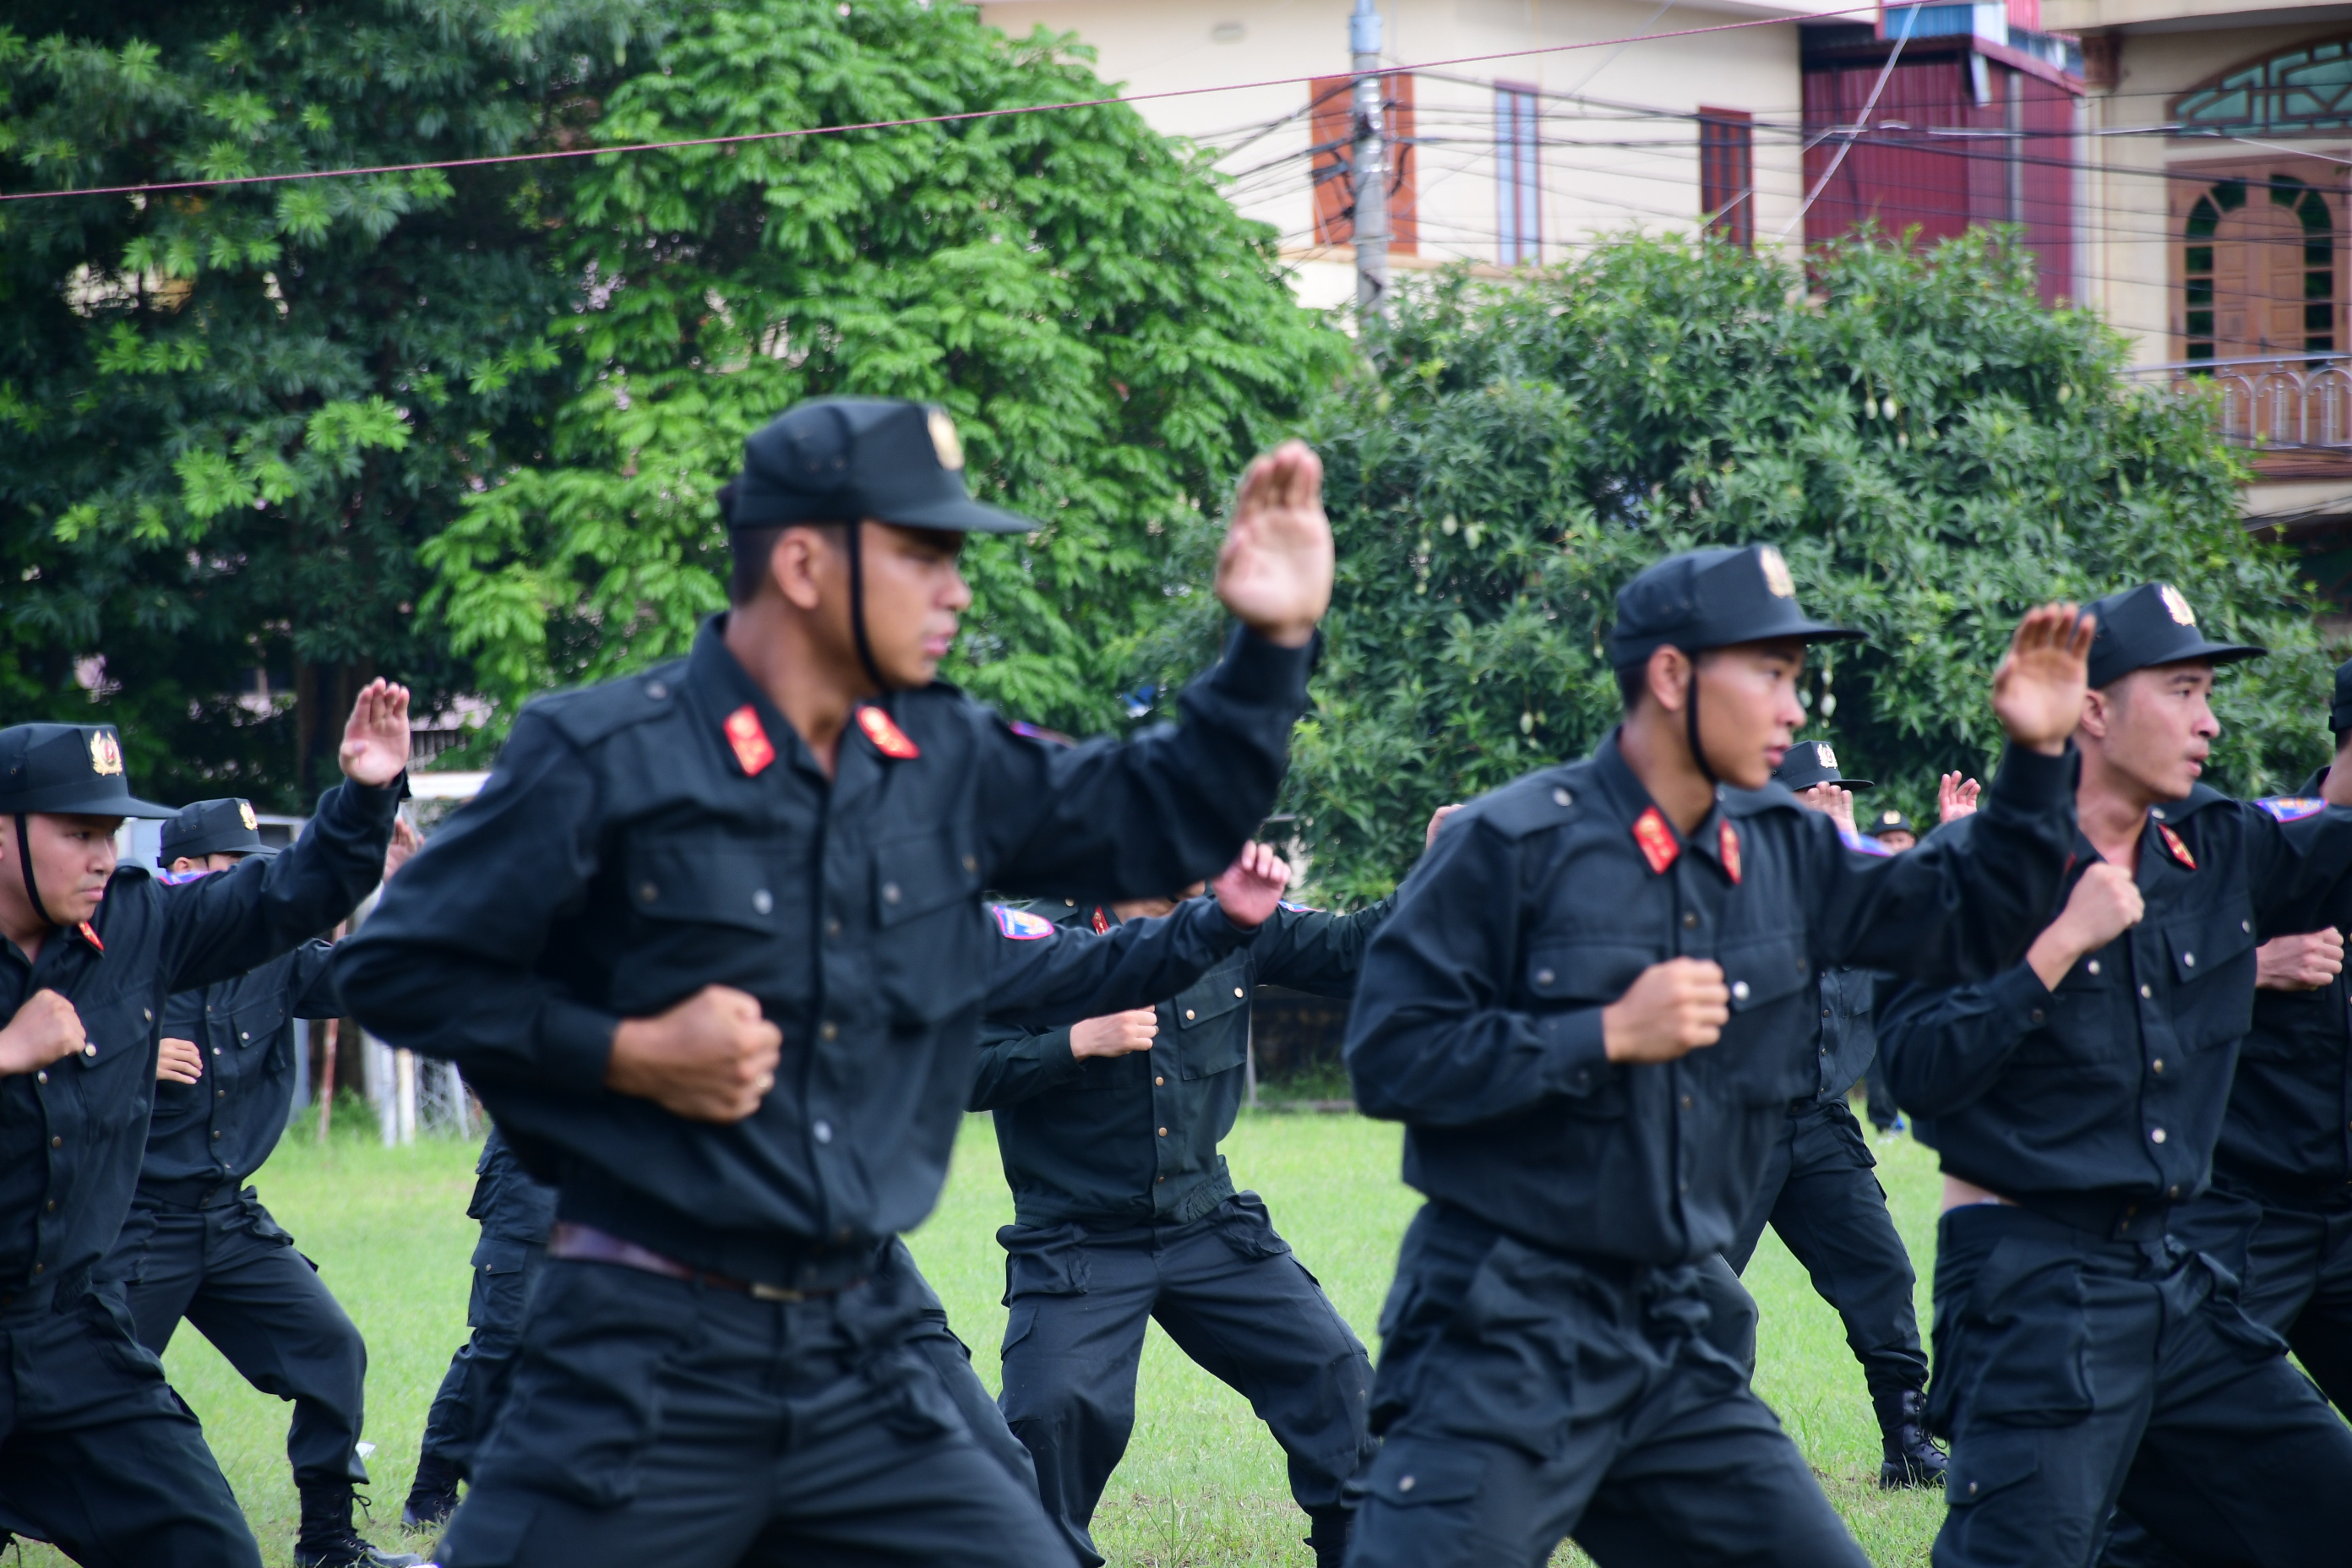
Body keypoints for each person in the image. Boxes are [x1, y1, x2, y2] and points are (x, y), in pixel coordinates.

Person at [335, 396, 1334, 1568]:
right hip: (644, 1354)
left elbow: (1165, 811)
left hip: (864, 1339)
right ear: (804, 561)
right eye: (922, 553)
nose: (956, 586)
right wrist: (627, 1052)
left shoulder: (936, 755)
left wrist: (1269, 649)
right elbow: (394, 968)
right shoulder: (608, 752)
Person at [1339, 544, 2091, 1568]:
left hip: (1676, 1338)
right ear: (1670, 676)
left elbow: (1965, 917)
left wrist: (2038, 759)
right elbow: (1390, 1055)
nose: (1794, 708)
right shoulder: (1508, 845)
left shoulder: (1784, 848)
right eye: (1771, 674)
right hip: (1502, 1336)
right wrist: (1603, 1032)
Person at [400, 845, 1293, 1533]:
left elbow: (1081, 964)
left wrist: (1218, 924)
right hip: (698, 1284)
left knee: (1003, 1480)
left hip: (867, 1271)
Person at [1877, 581, 2352, 1568]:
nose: (2210, 719)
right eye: (2181, 689)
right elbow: (1918, 1069)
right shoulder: (1977, 868)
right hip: (2034, 1291)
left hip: (2177, 1281)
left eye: (2207, 690)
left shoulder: (2214, 844)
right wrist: (2051, 950)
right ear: (2093, 708)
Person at [0, 689, 408, 1568]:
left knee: (211, 1549)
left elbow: (283, 899)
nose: (103, 854)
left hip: (68, 1322)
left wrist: (365, 800)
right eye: (78, 832)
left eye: (112, 833)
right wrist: (6, 1048)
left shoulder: (137, 924)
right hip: (123, 1246)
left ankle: (329, 1537)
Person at [974, 817, 1448, 1568]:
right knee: (1049, 1419)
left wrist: (1438, 864)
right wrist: (1073, 1042)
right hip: (1077, 1240)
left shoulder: (1234, 922)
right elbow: (956, 1068)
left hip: (1208, 1225)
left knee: (1339, 1381)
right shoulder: (1034, 935)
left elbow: (1361, 949)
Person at [93, 801, 423, 1568]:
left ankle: (329, 1544)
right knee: (68, 1393)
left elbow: (375, 977)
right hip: (129, 1222)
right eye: (233, 870)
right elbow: (36, 1049)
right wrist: (129, 1054)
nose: (251, 888)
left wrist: (410, 890)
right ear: (182, 874)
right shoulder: (117, 952)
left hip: (228, 1218)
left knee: (332, 1349)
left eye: (255, 870)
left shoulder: (277, 956)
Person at [1718, 741, 1946, 1489]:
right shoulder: (1730, 875)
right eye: (1814, 793)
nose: (1833, 804)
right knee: (1698, 1295)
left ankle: (1907, 1445)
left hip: (1817, 1120)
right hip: (1729, 1125)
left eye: (1835, 791)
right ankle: (1677, 1453)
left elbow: (1927, 922)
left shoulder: (1851, 878)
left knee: (1881, 1272)